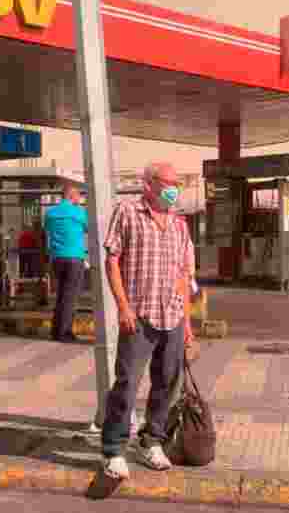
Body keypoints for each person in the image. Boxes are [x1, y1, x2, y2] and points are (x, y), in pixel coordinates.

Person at [101, 161, 196, 480]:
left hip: (172, 315)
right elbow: (111, 261)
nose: (174, 189)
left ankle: (151, 440)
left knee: (167, 383)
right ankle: (113, 449)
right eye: (169, 182)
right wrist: (123, 307)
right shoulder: (127, 212)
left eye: (177, 183)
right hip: (138, 316)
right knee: (127, 383)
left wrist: (188, 327)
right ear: (149, 184)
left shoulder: (180, 225)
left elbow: (183, 275)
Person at [44, 181, 88, 343]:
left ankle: (56, 330)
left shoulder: (50, 213)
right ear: (70, 195)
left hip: (57, 257)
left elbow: (47, 229)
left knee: (61, 295)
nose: (80, 197)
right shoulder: (78, 212)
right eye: (78, 194)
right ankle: (64, 332)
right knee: (71, 296)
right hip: (74, 257)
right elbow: (88, 228)